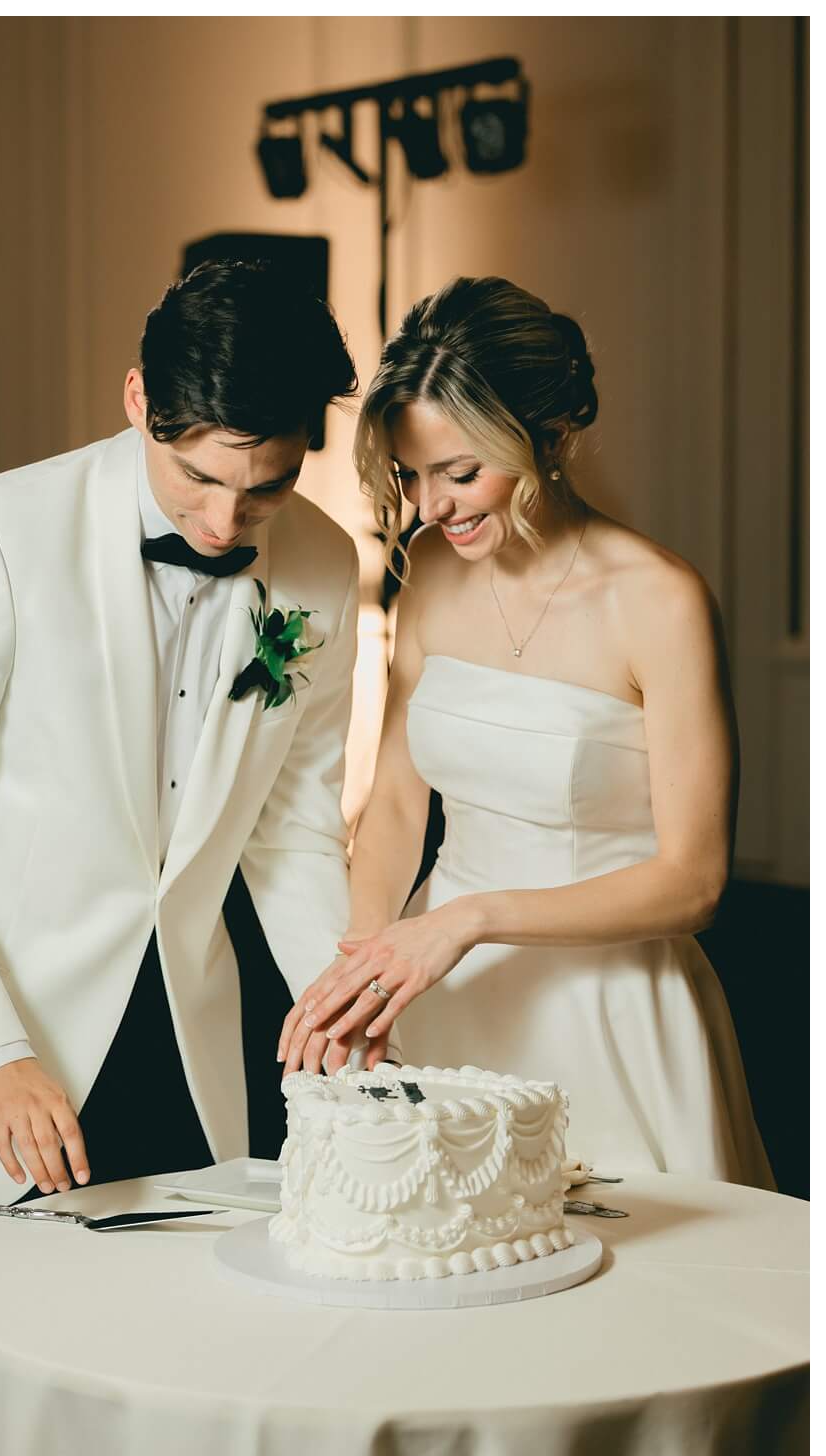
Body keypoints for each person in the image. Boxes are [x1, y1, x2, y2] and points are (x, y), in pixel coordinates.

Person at [0, 262, 362, 1456]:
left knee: (154, 1376)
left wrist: (339, 988)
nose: (226, 524)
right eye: (200, 481)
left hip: (175, 1035)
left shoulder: (323, 570)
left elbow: (285, 825)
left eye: (265, 487)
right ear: (136, 400)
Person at [279, 275, 772, 1188]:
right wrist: (366, 967)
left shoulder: (660, 601)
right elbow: (393, 798)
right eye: (411, 475)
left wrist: (469, 921)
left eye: (461, 473)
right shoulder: (427, 567)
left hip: (608, 1007)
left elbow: (695, 881)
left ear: (547, 437)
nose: (433, 507)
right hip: (445, 992)